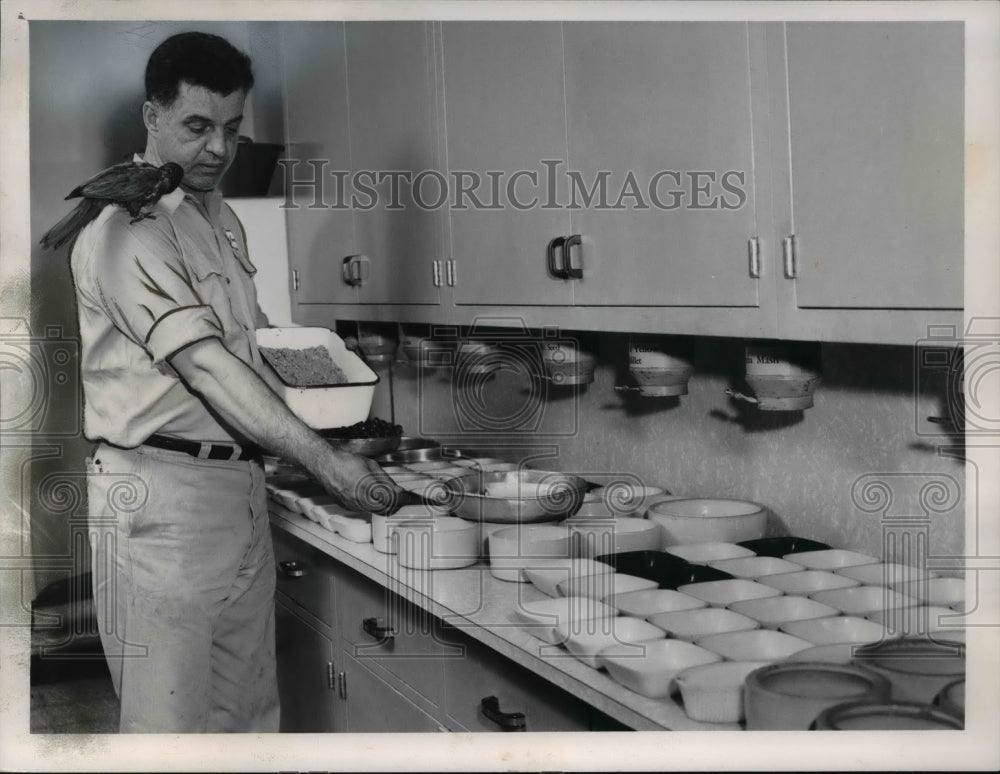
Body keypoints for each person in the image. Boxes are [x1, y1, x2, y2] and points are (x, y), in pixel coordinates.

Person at [69, 31, 400, 733]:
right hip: (161, 504)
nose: (218, 149)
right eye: (196, 126)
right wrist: (322, 455)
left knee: (247, 722)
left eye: (231, 129)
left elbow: (253, 345)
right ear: (152, 117)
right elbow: (209, 365)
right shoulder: (128, 231)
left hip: (241, 496)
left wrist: (334, 382)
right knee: (169, 733)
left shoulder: (216, 219)